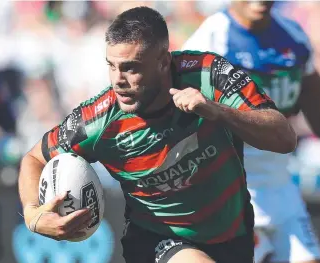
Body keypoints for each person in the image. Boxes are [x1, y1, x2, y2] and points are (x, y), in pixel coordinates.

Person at [18, 6, 297, 263]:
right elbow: (34, 158)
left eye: (131, 68)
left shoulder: (208, 75)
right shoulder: (97, 121)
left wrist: (218, 111)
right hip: (157, 241)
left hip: (234, 234)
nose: (118, 80)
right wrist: (32, 214)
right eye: (112, 66)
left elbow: (284, 138)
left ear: (164, 61)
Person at [182, 1, 320, 263]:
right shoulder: (211, 38)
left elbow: (315, 107)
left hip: (282, 187)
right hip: (232, 194)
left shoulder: (294, 36)